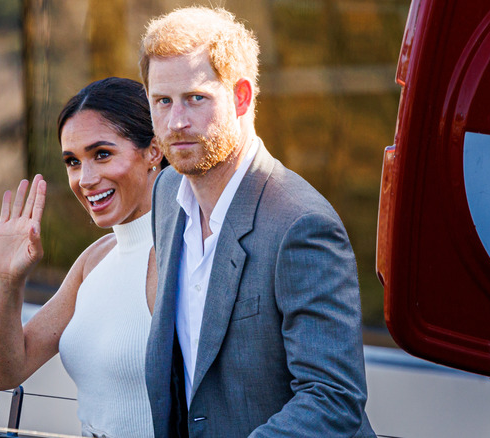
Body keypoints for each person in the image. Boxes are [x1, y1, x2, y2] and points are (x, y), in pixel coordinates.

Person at [140, 7, 375, 437]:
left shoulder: (302, 225)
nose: (176, 122)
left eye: (196, 98)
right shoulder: (166, 192)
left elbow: (333, 397)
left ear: (242, 97)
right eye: (162, 101)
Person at [0, 77, 164, 437]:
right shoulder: (94, 259)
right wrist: (8, 280)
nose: (86, 178)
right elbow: (4, 373)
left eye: (102, 154)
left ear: (153, 152)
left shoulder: (187, 252)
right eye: (73, 161)